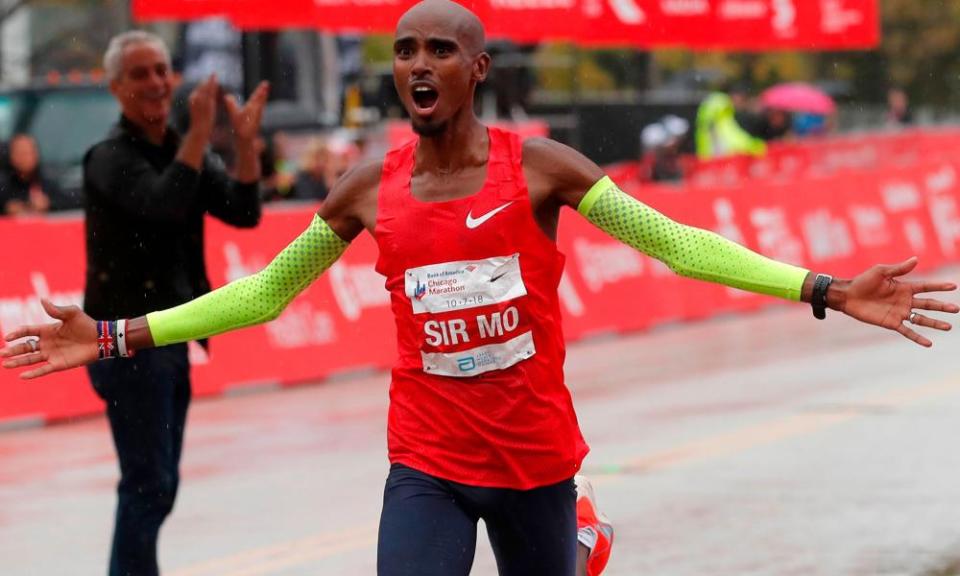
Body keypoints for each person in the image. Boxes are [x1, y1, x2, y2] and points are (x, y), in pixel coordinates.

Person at [3, 3, 958, 575]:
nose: (418, 64)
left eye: (439, 51)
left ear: (478, 69)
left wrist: (823, 286)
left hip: (536, 457)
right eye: (405, 51)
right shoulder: (367, 188)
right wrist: (122, 332)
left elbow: (678, 245)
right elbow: (262, 296)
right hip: (426, 459)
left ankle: (578, 535)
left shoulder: (540, 168)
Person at [58, 30, 267, 576]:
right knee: (149, 485)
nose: (155, 82)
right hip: (122, 345)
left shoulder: (181, 149)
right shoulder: (105, 157)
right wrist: (199, 135)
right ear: (115, 88)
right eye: (140, 73)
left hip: (170, 337)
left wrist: (243, 144)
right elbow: (162, 205)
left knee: (158, 486)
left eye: (161, 70)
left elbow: (244, 212)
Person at [0, 133, 60, 215]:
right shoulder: (4, 185)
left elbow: (70, 200)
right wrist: (5, 208)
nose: (25, 158)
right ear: (11, 156)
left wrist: (49, 203)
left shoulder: (48, 182)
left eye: (28, 152)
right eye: (20, 153)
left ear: (36, 154)